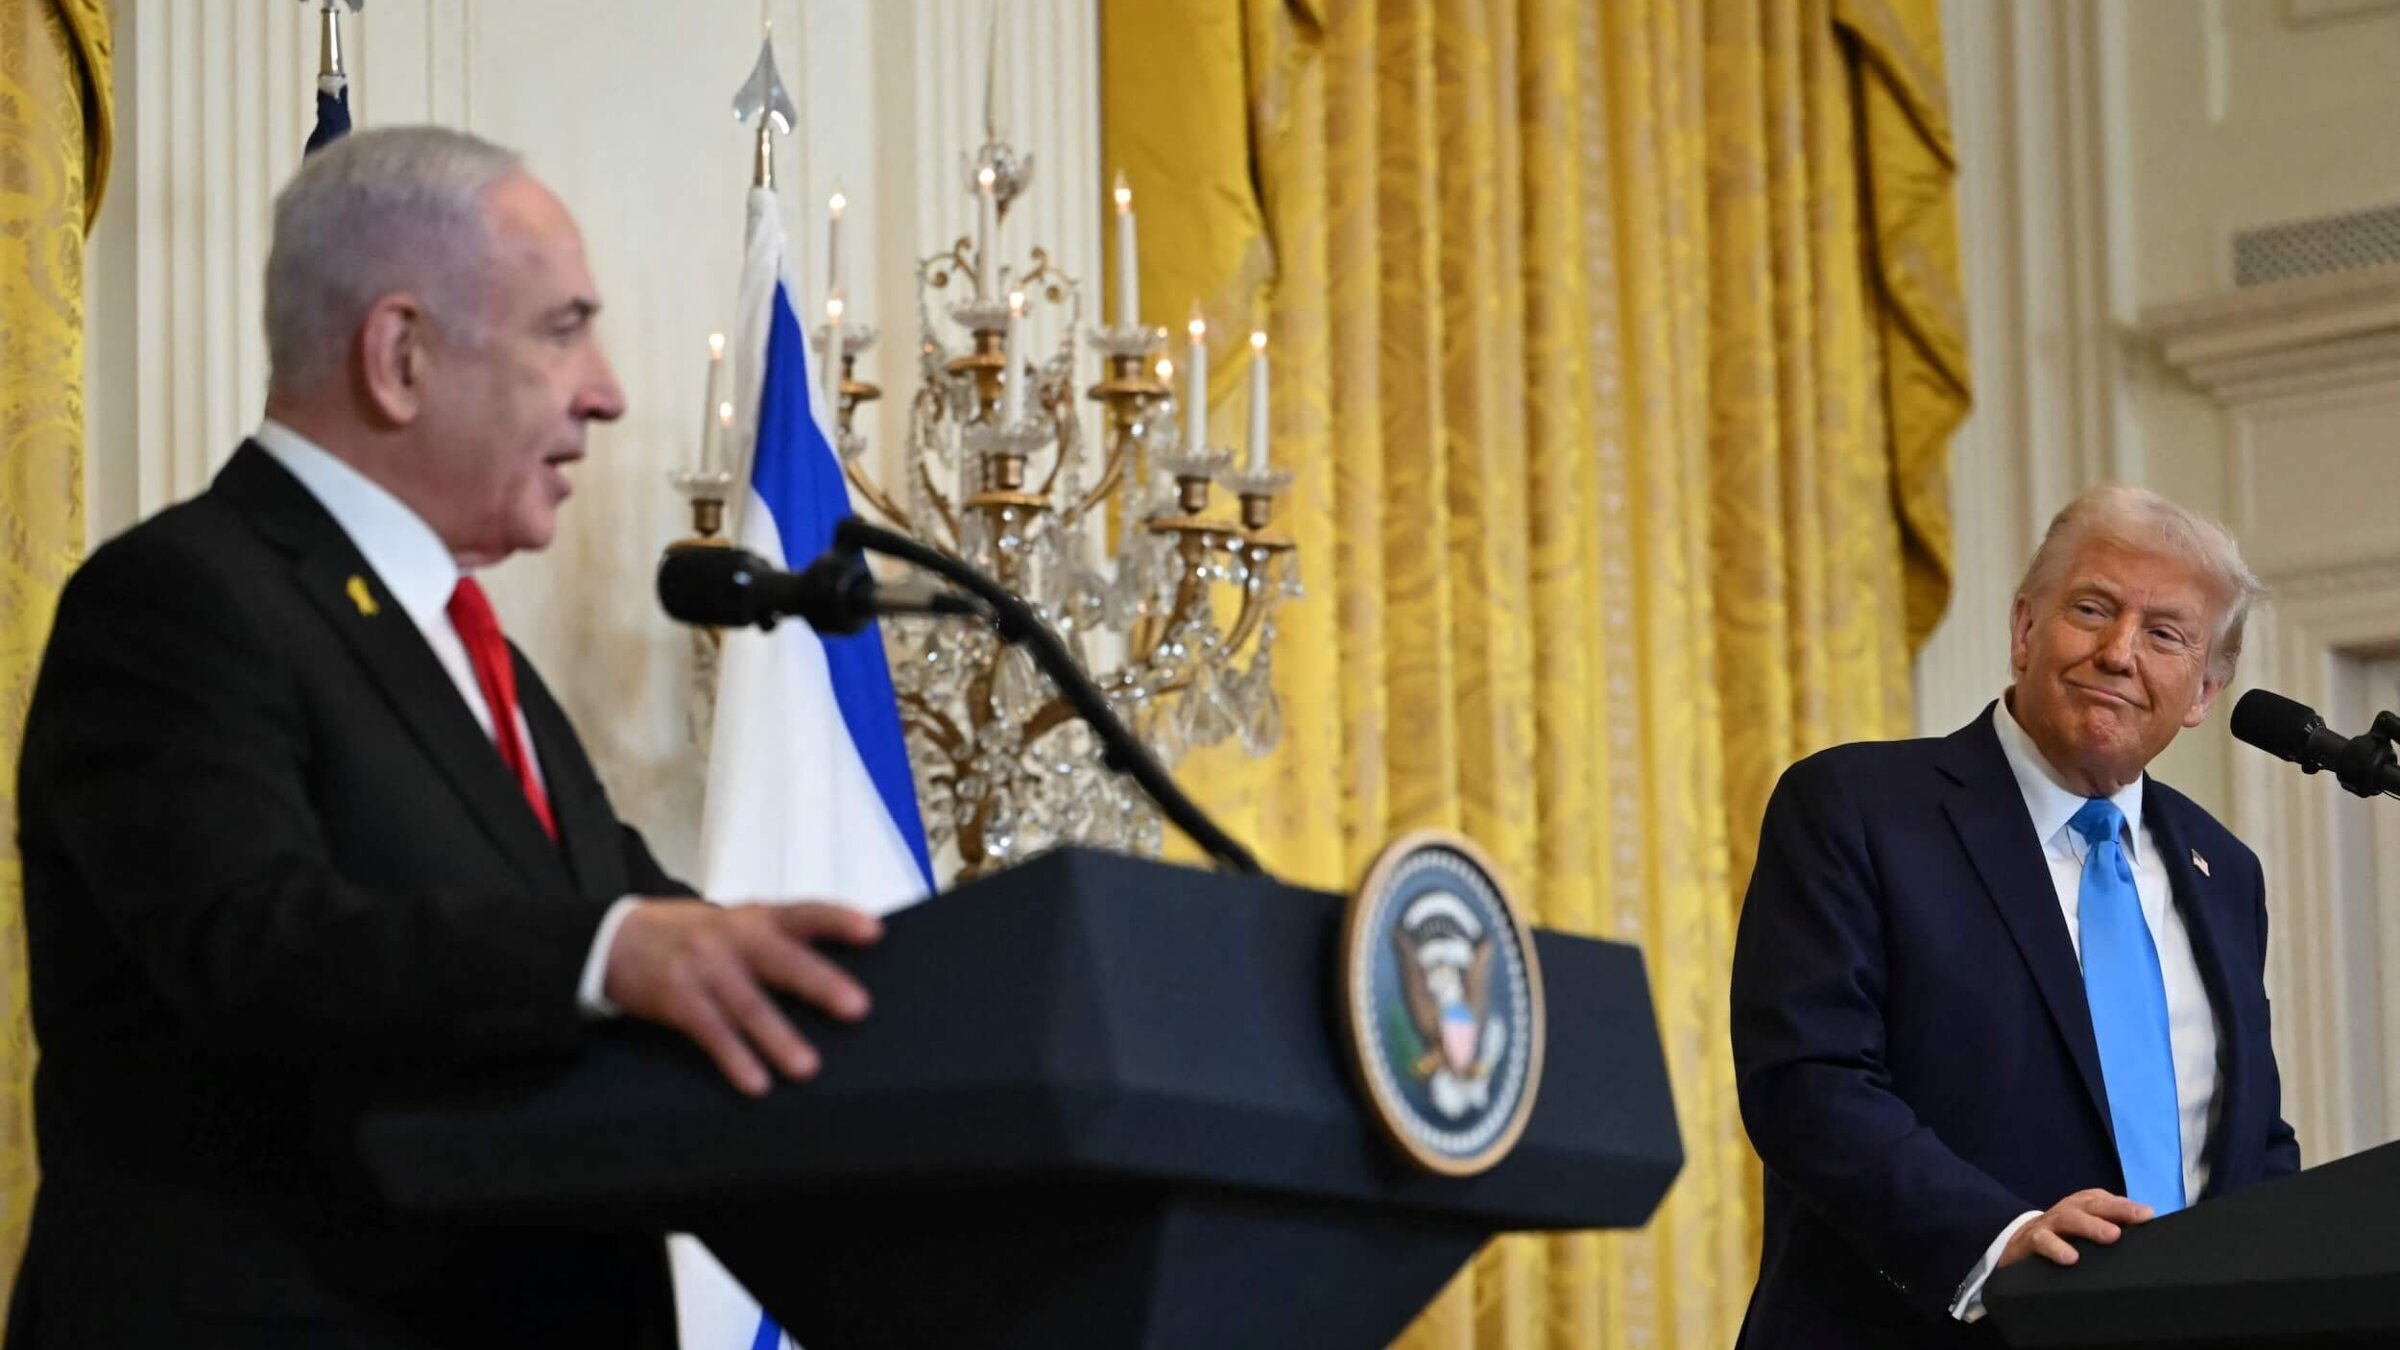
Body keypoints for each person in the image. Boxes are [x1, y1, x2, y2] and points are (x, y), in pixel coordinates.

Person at [9, 126, 879, 1348]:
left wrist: (896, 999)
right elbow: (256, 946)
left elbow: (658, 927)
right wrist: (616, 954)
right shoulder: (178, 603)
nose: (609, 389)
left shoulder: (478, 662)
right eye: (563, 328)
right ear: (401, 356)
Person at [1730, 483, 2301, 1348]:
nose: (2118, 652)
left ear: (2203, 692)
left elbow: (2250, 1140)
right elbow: (1809, 1084)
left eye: (2165, 634)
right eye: (2092, 609)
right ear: (2025, 629)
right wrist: (2000, 1243)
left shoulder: (2225, 872)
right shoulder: (1857, 807)